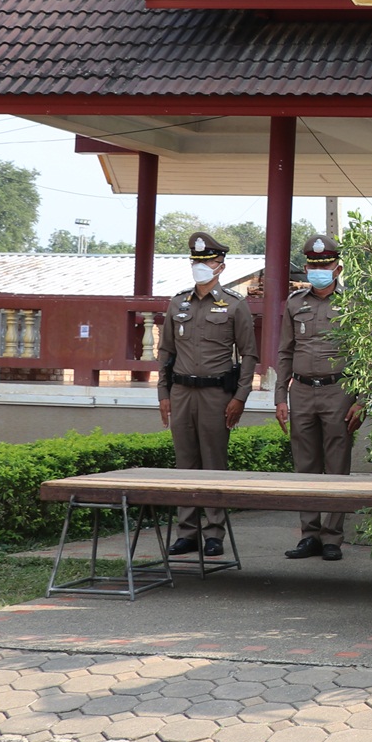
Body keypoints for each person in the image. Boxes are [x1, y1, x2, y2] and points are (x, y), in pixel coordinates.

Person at [157, 232, 257, 556]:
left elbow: (249, 354)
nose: (200, 266)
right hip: (182, 392)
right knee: (185, 463)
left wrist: (240, 397)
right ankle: (187, 532)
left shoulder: (235, 304)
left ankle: (214, 533)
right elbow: (165, 352)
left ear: (220, 266)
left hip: (216, 394)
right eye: (196, 261)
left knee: (214, 464)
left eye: (208, 261)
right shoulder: (178, 303)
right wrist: (163, 393)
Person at [275, 233, 362, 560]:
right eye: (313, 266)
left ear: (337, 268)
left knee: (337, 465)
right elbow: (285, 351)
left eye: (324, 266)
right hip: (301, 391)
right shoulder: (294, 303)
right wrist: (280, 397)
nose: (318, 271)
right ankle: (309, 535)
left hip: (338, 391)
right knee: (305, 465)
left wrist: (362, 399)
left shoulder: (353, 304)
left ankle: (332, 538)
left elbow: (365, 355)